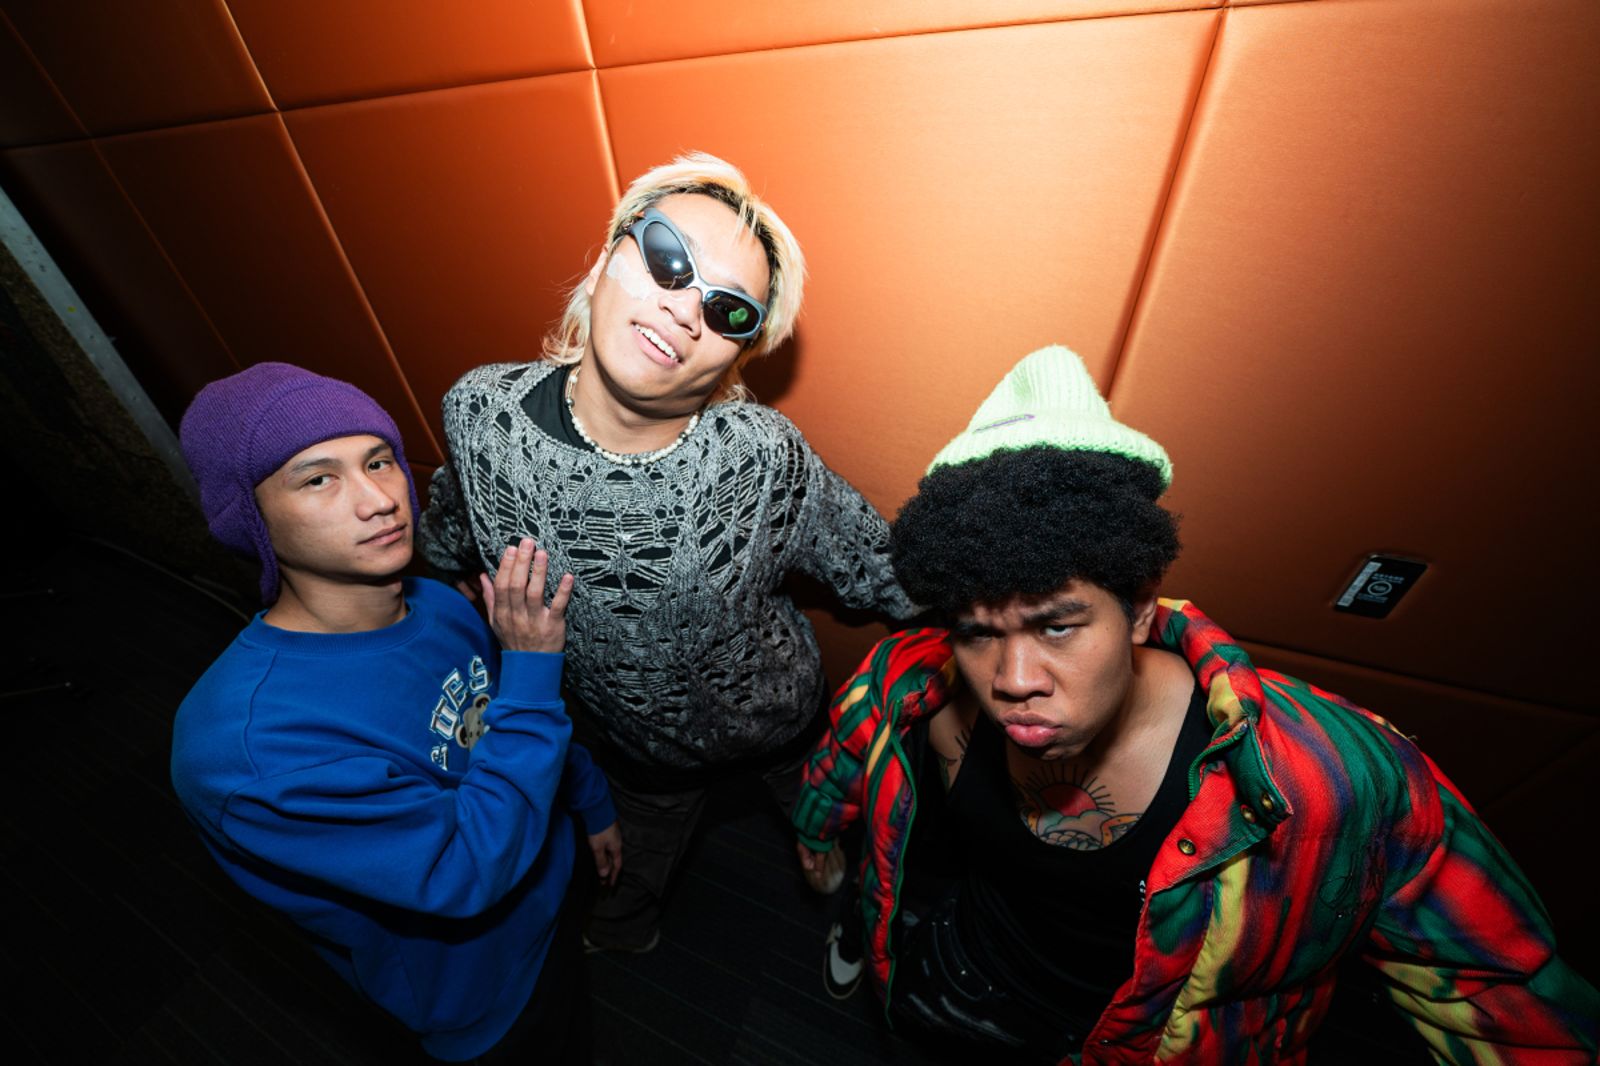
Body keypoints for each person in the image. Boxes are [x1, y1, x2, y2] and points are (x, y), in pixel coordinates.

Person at [792, 346, 1598, 1064]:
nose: (1012, 678)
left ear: (1141, 608)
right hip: (956, 985)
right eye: (977, 633)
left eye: (1058, 626)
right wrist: (819, 833)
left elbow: (1498, 991)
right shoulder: (915, 683)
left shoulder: (1333, 777)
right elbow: (846, 751)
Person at [421, 152, 912, 952]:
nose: (685, 310)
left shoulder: (761, 456)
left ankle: (847, 895)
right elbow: (449, 527)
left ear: (736, 357)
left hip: (781, 724)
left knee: (841, 844)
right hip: (635, 757)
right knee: (618, 907)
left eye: (728, 310)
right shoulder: (480, 411)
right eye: (667, 260)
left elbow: (877, 566)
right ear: (605, 260)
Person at [171, 362, 618, 1063]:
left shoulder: (437, 603)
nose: (380, 499)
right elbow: (463, 870)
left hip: (552, 891)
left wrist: (588, 801)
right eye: (318, 479)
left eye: (378, 461)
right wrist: (533, 666)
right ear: (251, 518)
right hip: (481, 993)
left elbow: (497, 720)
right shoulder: (246, 749)